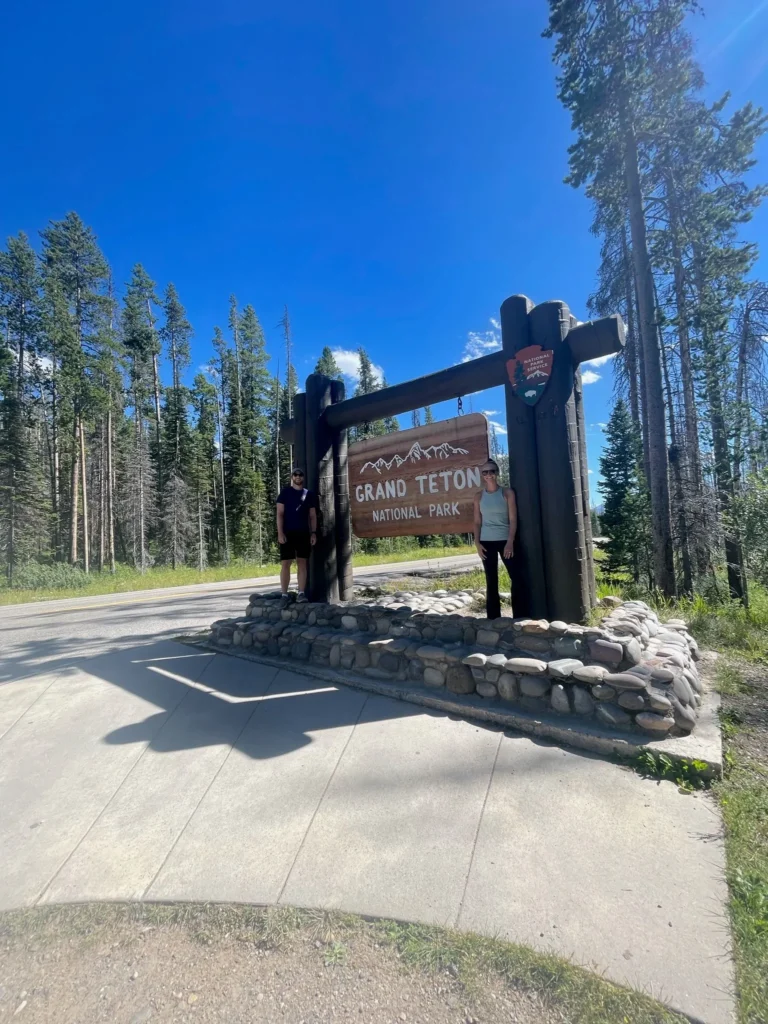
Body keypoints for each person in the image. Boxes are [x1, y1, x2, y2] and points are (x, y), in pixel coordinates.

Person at [473, 458, 518, 620]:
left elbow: (513, 519)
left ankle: (519, 615)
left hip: (505, 541)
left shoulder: (507, 493)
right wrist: (477, 543)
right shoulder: (478, 496)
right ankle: (493, 618)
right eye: (485, 472)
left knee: (516, 577)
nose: (488, 474)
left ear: (497, 473)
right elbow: (477, 522)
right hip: (486, 542)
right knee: (491, 580)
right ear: (482, 475)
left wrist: (510, 542)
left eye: (491, 471)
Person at [276, 468, 317, 602]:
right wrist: (280, 533)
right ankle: (284, 594)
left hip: (303, 533)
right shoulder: (285, 493)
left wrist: (313, 533)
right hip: (287, 532)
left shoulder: (308, 494)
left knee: (302, 562)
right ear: (292, 477)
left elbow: (312, 515)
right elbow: (279, 514)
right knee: (286, 563)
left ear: (303, 477)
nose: (298, 476)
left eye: (300, 474)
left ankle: (301, 593)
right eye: (295, 474)